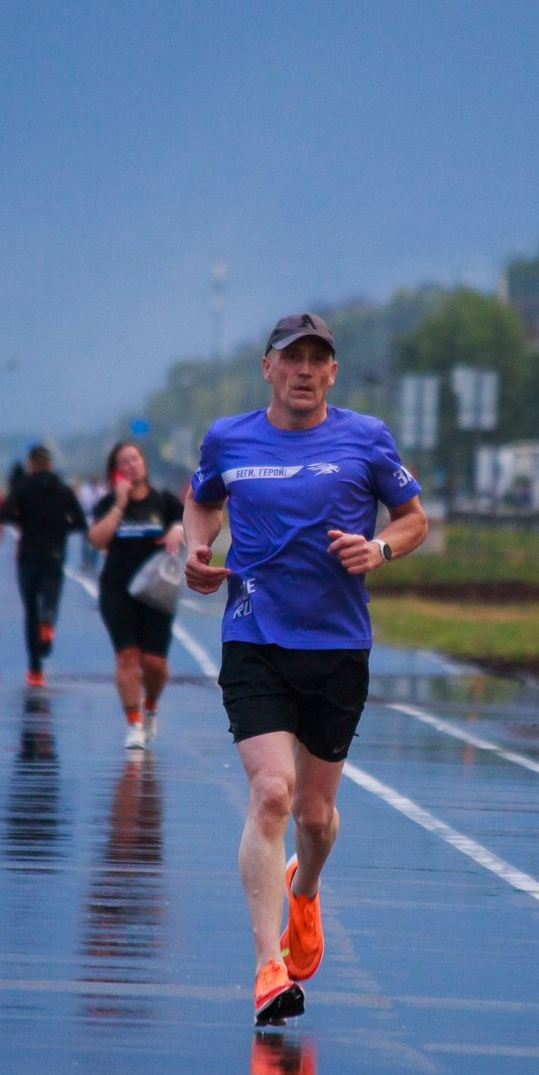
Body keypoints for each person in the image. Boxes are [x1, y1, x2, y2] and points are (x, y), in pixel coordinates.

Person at [183, 313, 427, 1027]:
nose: (304, 370)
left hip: (337, 645)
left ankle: (306, 888)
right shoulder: (229, 438)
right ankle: (268, 966)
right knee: (270, 794)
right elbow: (202, 501)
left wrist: (379, 549)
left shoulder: (366, 437)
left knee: (315, 816)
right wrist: (195, 553)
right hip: (254, 636)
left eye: (318, 359)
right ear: (268, 367)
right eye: (292, 358)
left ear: (332, 373)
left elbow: (414, 518)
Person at [89, 440, 187, 751]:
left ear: (144, 463)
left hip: (157, 591)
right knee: (127, 656)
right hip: (117, 589)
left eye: (135, 459)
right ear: (116, 471)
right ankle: (133, 723)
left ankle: (151, 706)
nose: (131, 465)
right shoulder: (109, 503)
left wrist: (179, 530)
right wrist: (119, 504)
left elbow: (194, 523)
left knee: (155, 663)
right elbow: (97, 541)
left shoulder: (164, 502)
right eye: (124, 462)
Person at [0, 445, 88, 687]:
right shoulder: (63, 489)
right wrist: (61, 528)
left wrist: (22, 521)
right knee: (50, 597)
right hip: (54, 554)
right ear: (50, 464)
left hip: (28, 554)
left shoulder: (22, 488)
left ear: (30, 464)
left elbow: (3, 514)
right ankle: (48, 619)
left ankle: (35, 670)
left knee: (30, 611)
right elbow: (80, 522)